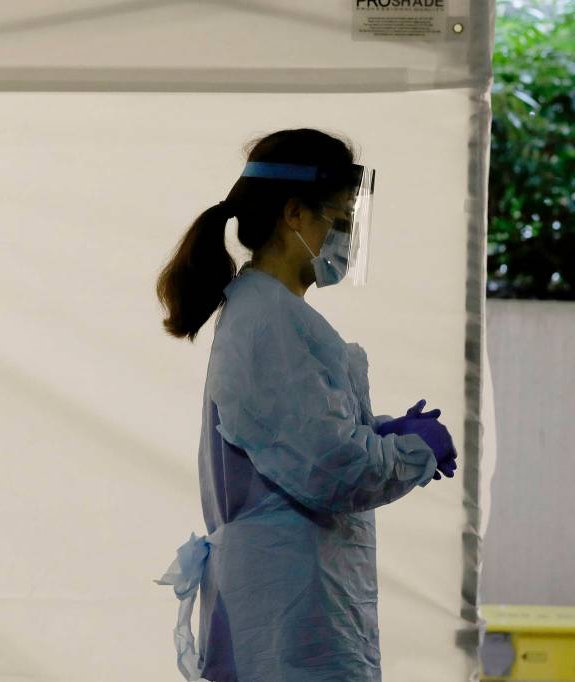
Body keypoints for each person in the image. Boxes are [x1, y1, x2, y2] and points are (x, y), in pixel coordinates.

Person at [152, 128, 458, 681]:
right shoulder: (268, 324)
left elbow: (301, 441)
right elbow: (329, 468)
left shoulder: (273, 317)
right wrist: (413, 452)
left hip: (291, 602)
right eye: (339, 220)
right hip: (288, 613)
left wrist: (384, 433)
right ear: (295, 214)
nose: (345, 236)